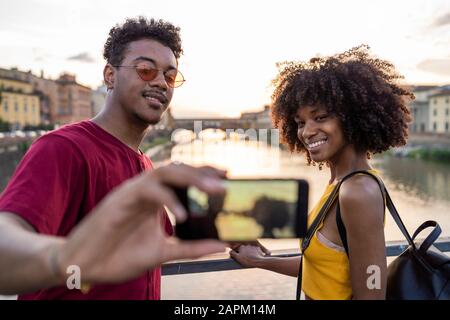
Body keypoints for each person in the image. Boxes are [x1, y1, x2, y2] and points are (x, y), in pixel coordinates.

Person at [0, 17, 226, 299]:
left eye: (169, 76)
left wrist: (226, 230)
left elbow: (156, 243)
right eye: (145, 69)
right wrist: (66, 256)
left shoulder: (144, 164)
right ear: (110, 75)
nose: (160, 83)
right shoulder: (63, 148)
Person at [230, 45, 413, 300]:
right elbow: (326, 269)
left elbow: (372, 290)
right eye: (301, 122)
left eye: (321, 117)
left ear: (353, 118)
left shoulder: (357, 191)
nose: (306, 132)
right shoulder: (340, 183)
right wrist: (262, 260)